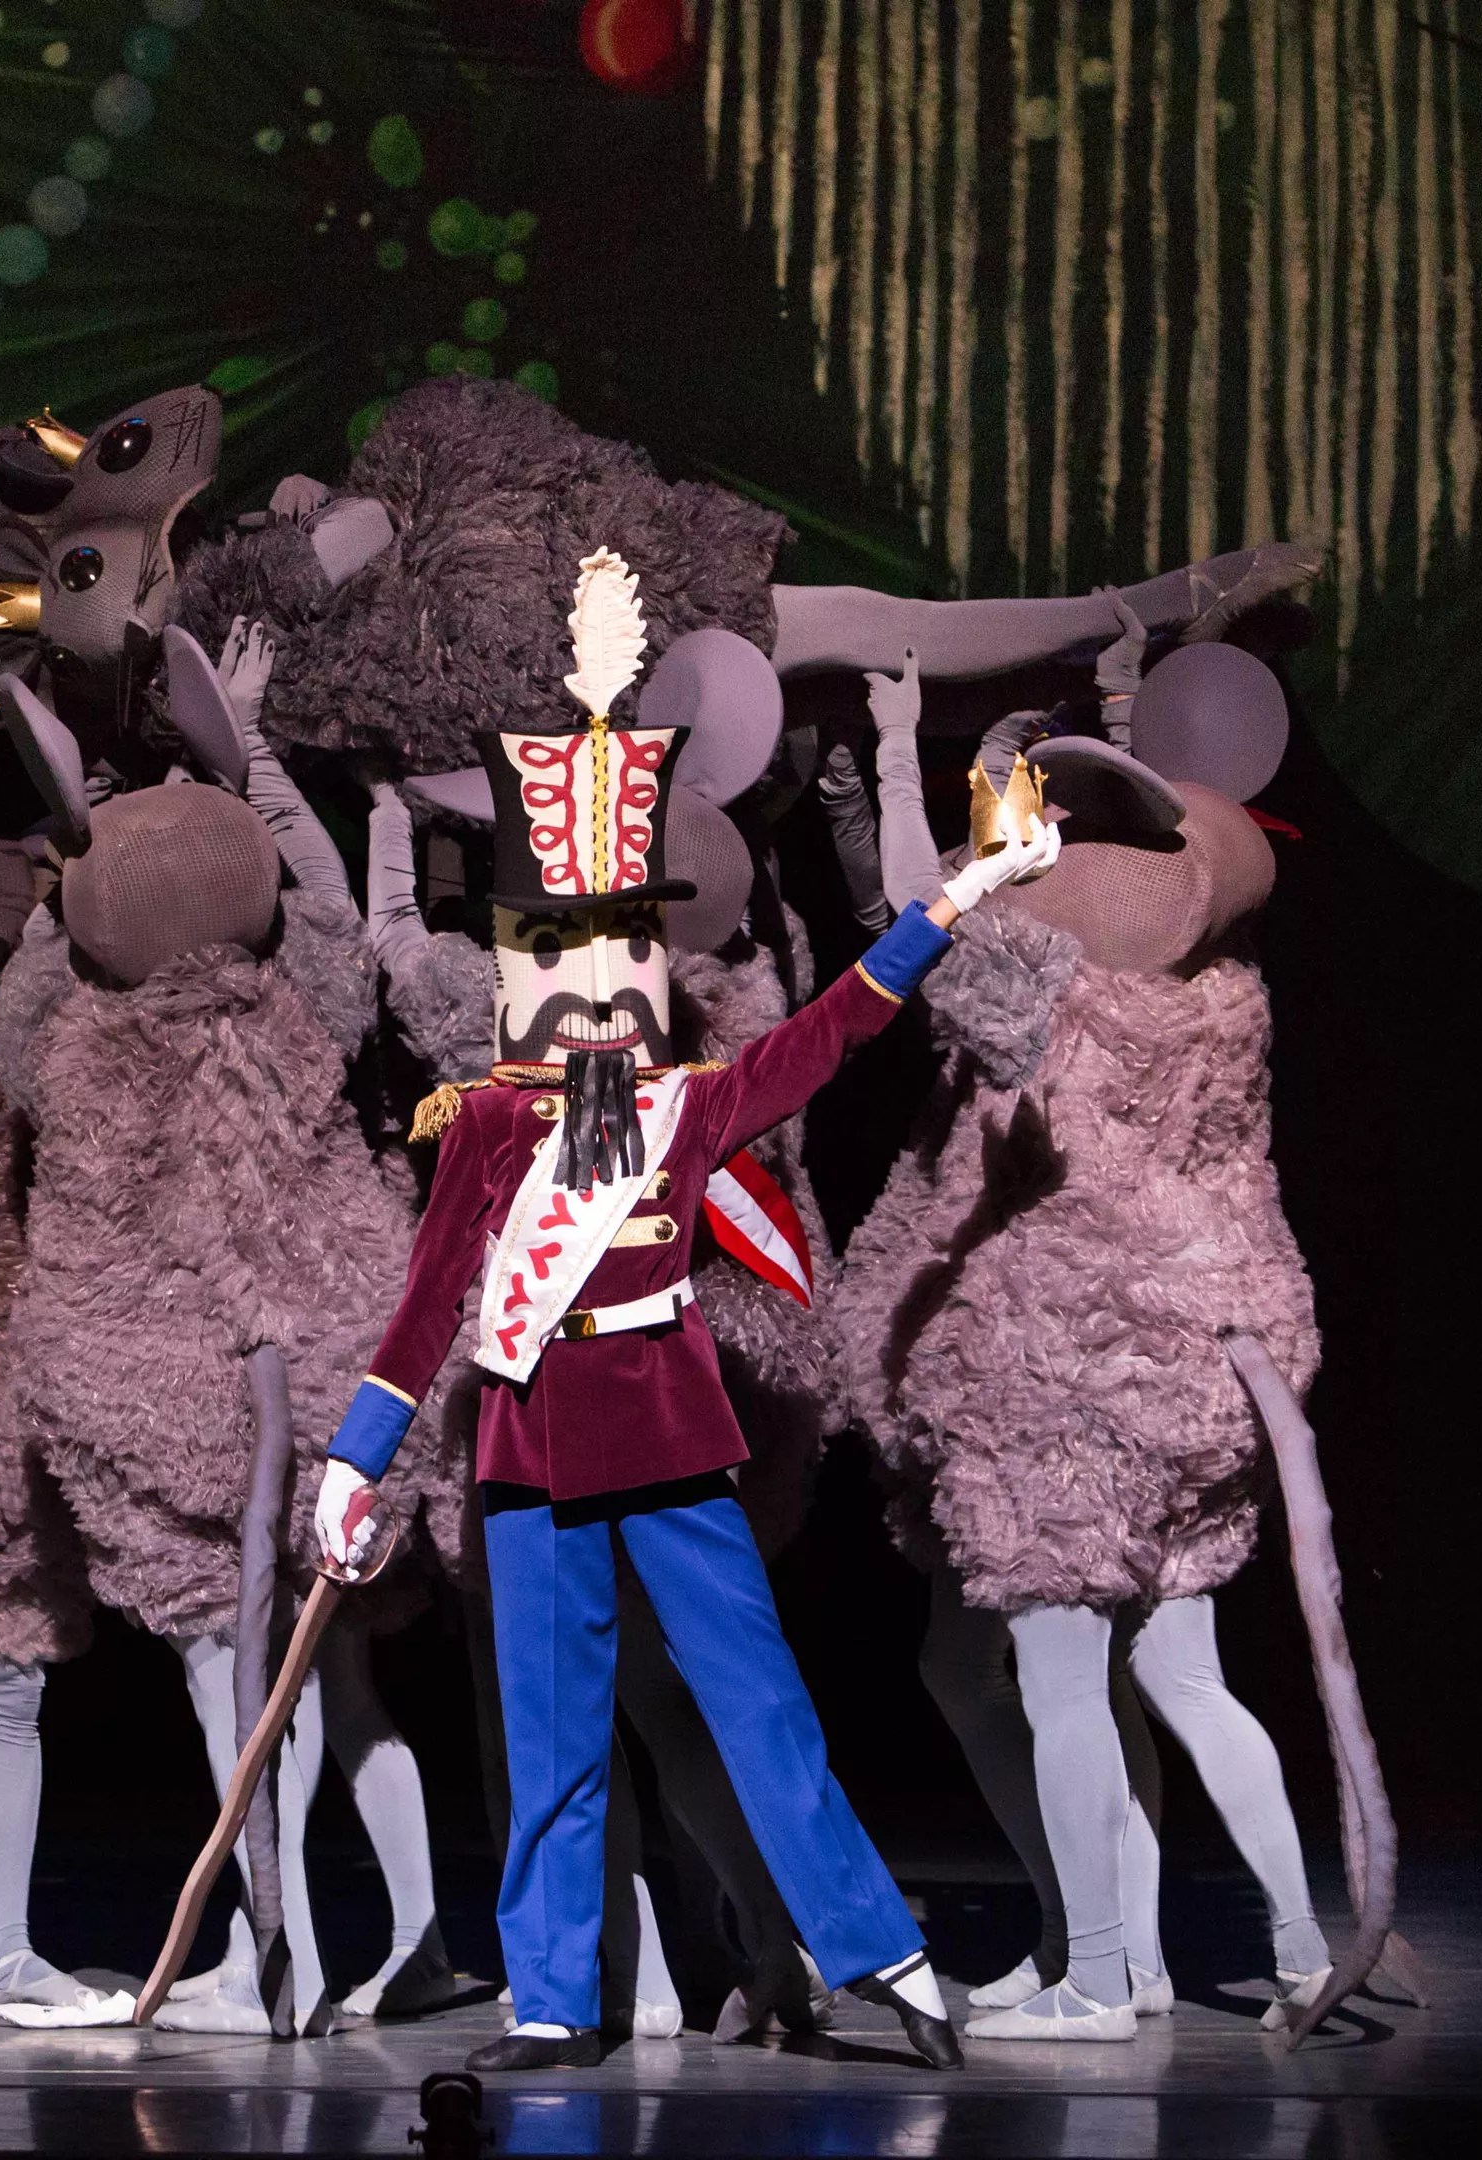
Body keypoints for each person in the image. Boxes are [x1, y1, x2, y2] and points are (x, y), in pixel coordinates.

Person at [303, 550, 1063, 2073]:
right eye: (556, 944)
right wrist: (352, 1461)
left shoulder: (694, 1099)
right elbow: (428, 1306)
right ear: (515, 962)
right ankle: (549, 1998)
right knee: (549, 1741)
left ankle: (885, 1959)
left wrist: (960, 895)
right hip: (529, 1450)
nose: (590, 973)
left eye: (618, 942)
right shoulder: (487, 1125)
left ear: (653, 959)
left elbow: (841, 1028)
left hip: (662, 1431)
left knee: (760, 1707)